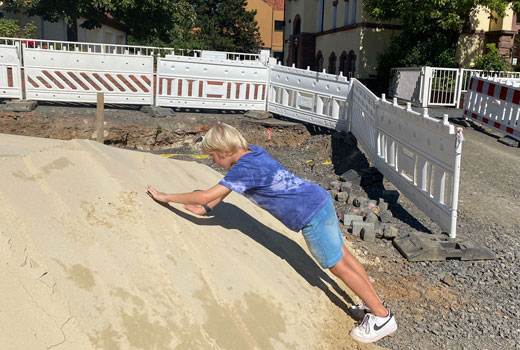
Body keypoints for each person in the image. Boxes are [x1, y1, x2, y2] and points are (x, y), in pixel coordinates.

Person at [146, 122, 397, 343]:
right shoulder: (254, 152)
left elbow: (206, 193)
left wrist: (166, 197)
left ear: (223, 152)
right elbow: (226, 190)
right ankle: (372, 303)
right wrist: (207, 208)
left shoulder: (242, 169)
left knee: (336, 265)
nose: (213, 161)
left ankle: (381, 317)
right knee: (344, 256)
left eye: (213, 156)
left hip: (309, 216)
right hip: (319, 199)